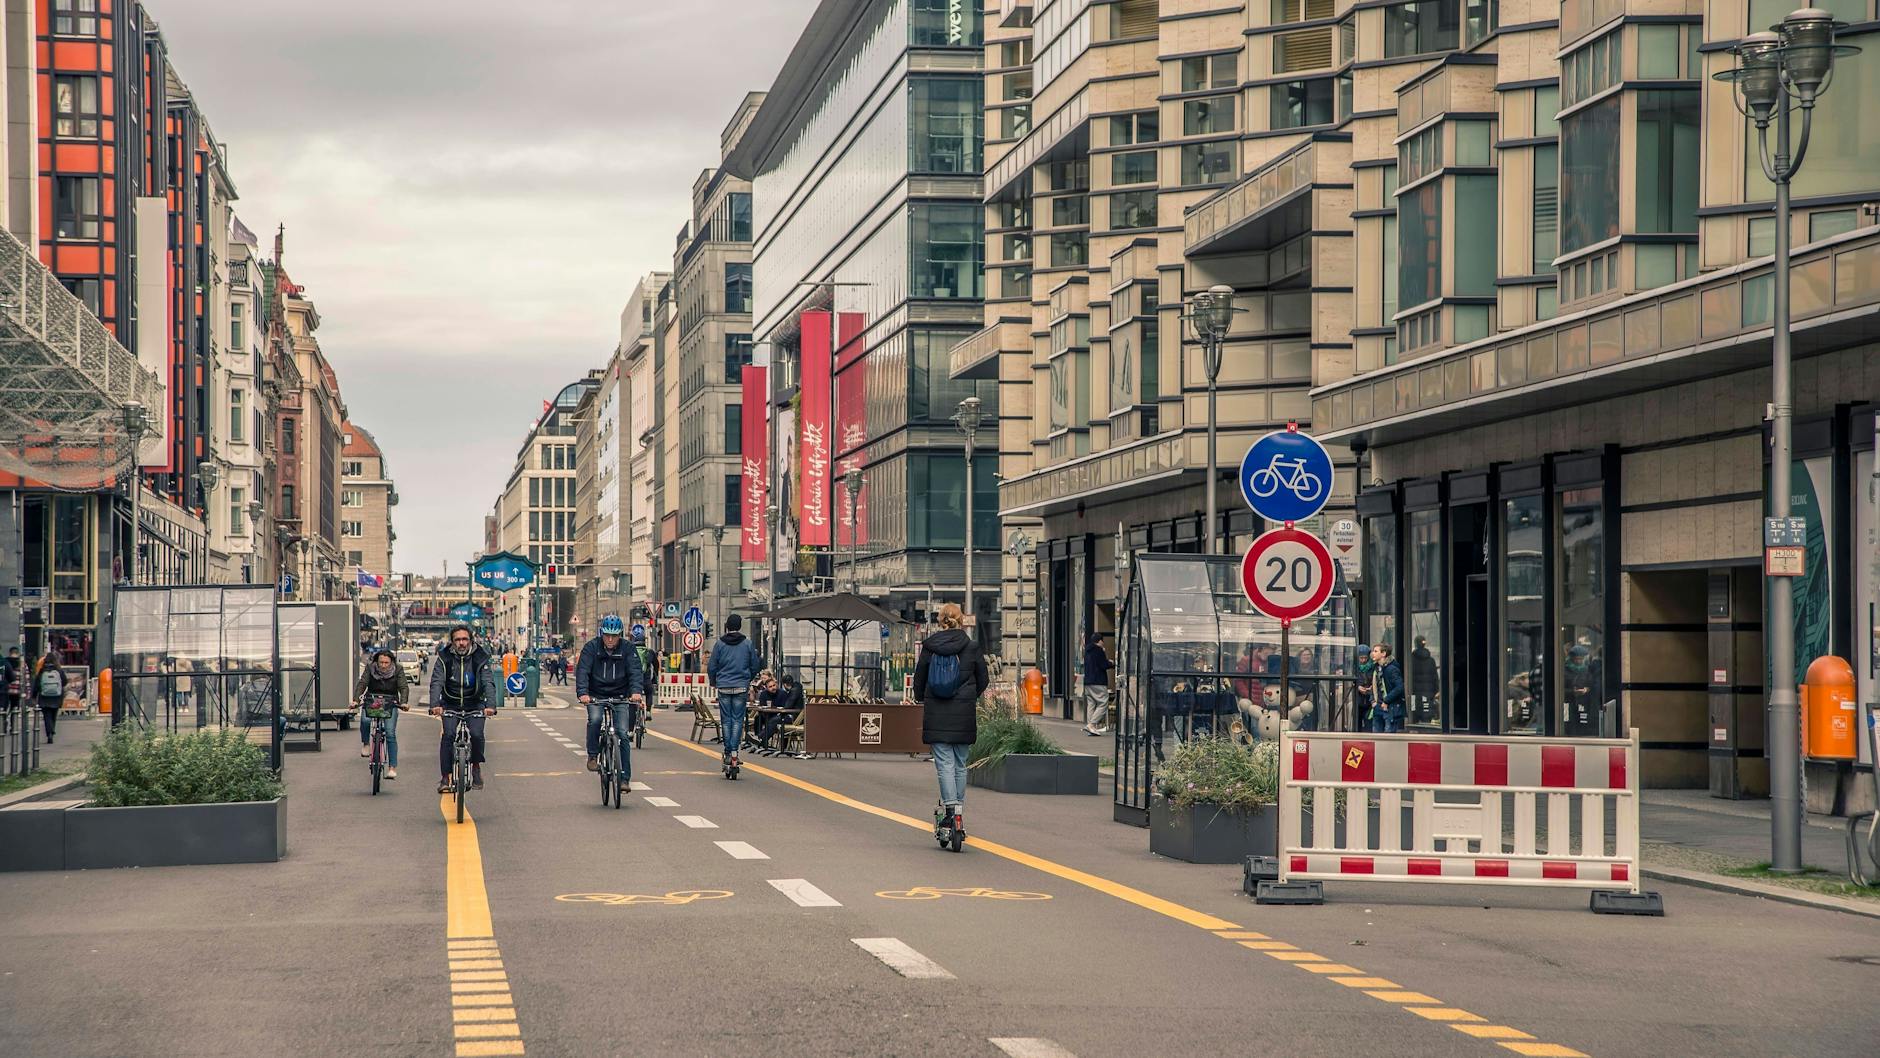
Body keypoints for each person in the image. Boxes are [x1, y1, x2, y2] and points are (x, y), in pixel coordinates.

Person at [914, 603, 986, 839]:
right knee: (960, 763)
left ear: (940, 620)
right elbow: (983, 679)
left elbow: (919, 679)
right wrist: (969, 696)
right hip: (963, 713)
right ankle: (958, 812)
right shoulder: (972, 647)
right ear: (961, 620)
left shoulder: (930, 648)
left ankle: (950, 810)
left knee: (944, 763)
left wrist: (920, 697)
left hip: (937, 712)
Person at [575, 615, 648, 779]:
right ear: (602, 633)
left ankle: (624, 779)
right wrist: (583, 693)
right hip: (596, 695)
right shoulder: (591, 648)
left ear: (620, 635)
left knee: (623, 734)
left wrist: (636, 692)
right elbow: (583, 672)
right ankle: (593, 755)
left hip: (620, 695)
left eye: (614, 636)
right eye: (607, 635)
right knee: (595, 720)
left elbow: (635, 672)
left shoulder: (628, 649)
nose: (610, 639)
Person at [428, 625, 499, 793]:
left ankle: (475, 768)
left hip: (474, 703)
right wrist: (434, 705)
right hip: (450, 703)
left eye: (464, 639)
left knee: (476, 734)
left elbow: (488, 682)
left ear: (470, 641)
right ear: (452, 642)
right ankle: (445, 777)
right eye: (457, 640)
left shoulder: (481, 658)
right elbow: (436, 682)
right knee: (448, 736)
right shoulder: (443, 658)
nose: (461, 643)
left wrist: (491, 706)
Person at [705, 613, 762, 768]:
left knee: (726, 720)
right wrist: (747, 679)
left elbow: (712, 666)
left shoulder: (720, 644)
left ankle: (728, 751)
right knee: (737, 720)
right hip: (741, 686)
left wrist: (714, 682)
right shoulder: (747, 644)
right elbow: (755, 665)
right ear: (739, 626)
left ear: (727, 626)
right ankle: (735, 751)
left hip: (723, 686)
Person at [353, 649, 410, 779]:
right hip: (372, 699)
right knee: (366, 720)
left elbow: (403, 687)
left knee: (390, 733)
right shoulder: (370, 668)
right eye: (381, 662)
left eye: (386, 663)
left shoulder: (398, 669)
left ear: (392, 663)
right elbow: (362, 684)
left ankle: (392, 768)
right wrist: (355, 700)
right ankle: (366, 744)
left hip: (390, 701)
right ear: (376, 662)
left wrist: (404, 702)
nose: (383, 665)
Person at [753, 671, 805, 756]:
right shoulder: (796, 689)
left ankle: (760, 739)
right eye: (770, 686)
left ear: (784, 684)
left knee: (774, 721)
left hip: (793, 718)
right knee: (761, 718)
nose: (773, 687)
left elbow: (787, 705)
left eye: (774, 685)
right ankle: (760, 740)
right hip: (791, 716)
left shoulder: (792, 691)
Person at [1081, 631, 1112, 736]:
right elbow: (1103, 665)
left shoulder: (1087, 651)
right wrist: (1111, 663)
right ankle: (1092, 724)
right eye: (1102, 641)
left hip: (1088, 681)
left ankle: (1090, 727)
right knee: (1103, 702)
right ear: (1099, 641)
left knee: (1091, 703)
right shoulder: (1099, 650)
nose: (1103, 643)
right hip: (1098, 681)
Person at [1370, 642, 1405, 732]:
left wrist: (1386, 701)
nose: (1373, 653)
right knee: (1376, 738)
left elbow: (1400, 687)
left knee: (1388, 739)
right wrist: (1373, 701)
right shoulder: (1376, 668)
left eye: (1375, 651)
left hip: (1389, 708)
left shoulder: (1392, 669)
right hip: (1378, 706)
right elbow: (1374, 686)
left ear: (1383, 653)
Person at [33, 653, 64, 744]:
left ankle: (49, 733)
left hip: (44, 697)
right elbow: (65, 681)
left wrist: (34, 696)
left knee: (47, 716)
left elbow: (37, 684)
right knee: (53, 716)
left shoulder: (42, 671)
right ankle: (51, 732)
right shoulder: (59, 670)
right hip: (56, 697)